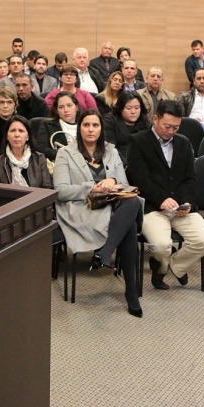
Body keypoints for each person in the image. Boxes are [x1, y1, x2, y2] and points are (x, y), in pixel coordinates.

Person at [54, 110, 144, 317]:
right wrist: (91, 187)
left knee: (132, 202)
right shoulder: (65, 153)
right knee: (129, 223)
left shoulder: (111, 150)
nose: (91, 129)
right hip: (82, 207)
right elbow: (60, 191)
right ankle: (131, 292)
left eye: (95, 125)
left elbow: (124, 184)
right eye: (86, 125)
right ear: (79, 128)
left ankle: (104, 253)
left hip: (111, 204)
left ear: (101, 128)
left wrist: (113, 181)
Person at [126, 100, 204, 290]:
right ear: (155, 119)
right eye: (167, 126)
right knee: (161, 246)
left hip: (181, 206)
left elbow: (191, 178)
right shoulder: (138, 141)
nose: (171, 131)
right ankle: (163, 260)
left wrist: (187, 202)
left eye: (176, 127)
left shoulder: (183, 143)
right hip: (152, 207)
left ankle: (170, 266)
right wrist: (161, 199)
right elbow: (138, 179)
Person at [0, 115, 52, 188]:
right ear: (7, 136)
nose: (17, 135)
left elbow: (48, 189)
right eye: (13, 131)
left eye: (21, 131)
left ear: (28, 136)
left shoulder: (39, 159)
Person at [104, 91, 151, 165]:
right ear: (121, 108)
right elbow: (110, 149)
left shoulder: (145, 122)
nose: (133, 112)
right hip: (118, 163)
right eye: (128, 108)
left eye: (137, 108)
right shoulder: (110, 121)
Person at [37, 91, 80, 162]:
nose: (66, 110)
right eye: (61, 107)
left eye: (69, 105)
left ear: (77, 107)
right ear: (57, 110)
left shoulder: (85, 125)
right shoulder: (47, 125)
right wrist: (65, 155)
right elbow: (40, 148)